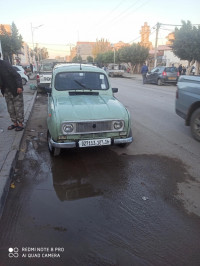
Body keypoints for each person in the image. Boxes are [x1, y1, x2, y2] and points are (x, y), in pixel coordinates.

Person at [0, 53, 24, 131]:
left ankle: (20, 124)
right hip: (6, 91)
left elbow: (17, 75)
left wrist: (19, 86)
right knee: (10, 108)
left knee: (18, 108)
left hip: (15, 89)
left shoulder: (5, 64)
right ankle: (15, 123)